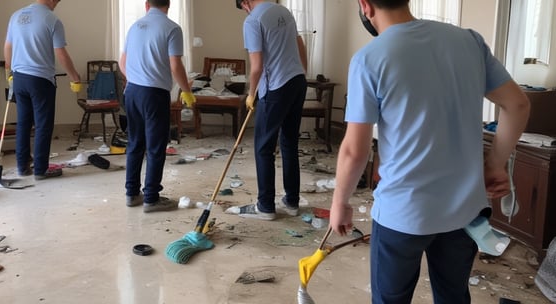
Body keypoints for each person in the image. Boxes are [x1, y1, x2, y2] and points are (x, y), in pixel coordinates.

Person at [329, 0, 530, 303]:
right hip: (464, 210)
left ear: (365, 6)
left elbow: (354, 151)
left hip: (403, 212)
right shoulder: (469, 41)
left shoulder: (369, 58)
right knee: (453, 295)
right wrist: (495, 164)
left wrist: (340, 202)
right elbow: (517, 104)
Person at [225, 0, 308, 221]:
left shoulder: (253, 20)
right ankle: (292, 202)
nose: (244, 11)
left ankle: (265, 206)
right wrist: (302, 72)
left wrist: (252, 93)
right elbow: (300, 45)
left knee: (263, 147)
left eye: (242, 7)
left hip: (276, 86)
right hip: (297, 81)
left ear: (245, 2)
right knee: (289, 142)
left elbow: (257, 65)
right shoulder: (284, 11)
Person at [119, 0, 195, 213]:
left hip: (132, 91)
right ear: (168, 4)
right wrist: (186, 91)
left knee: (135, 143)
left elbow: (122, 63)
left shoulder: (135, 27)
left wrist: (137, 77)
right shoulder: (172, 28)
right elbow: (175, 64)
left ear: (146, 4)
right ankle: (151, 198)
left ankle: (132, 194)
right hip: (154, 94)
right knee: (155, 146)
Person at [4, 0, 81, 180]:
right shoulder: (52, 19)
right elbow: (60, 53)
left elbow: (7, 47)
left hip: (19, 78)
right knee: (43, 125)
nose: (57, 5)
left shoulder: (16, 16)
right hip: (40, 80)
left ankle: (22, 166)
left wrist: (10, 73)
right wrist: (74, 76)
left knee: (23, 123)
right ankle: (40, 169)